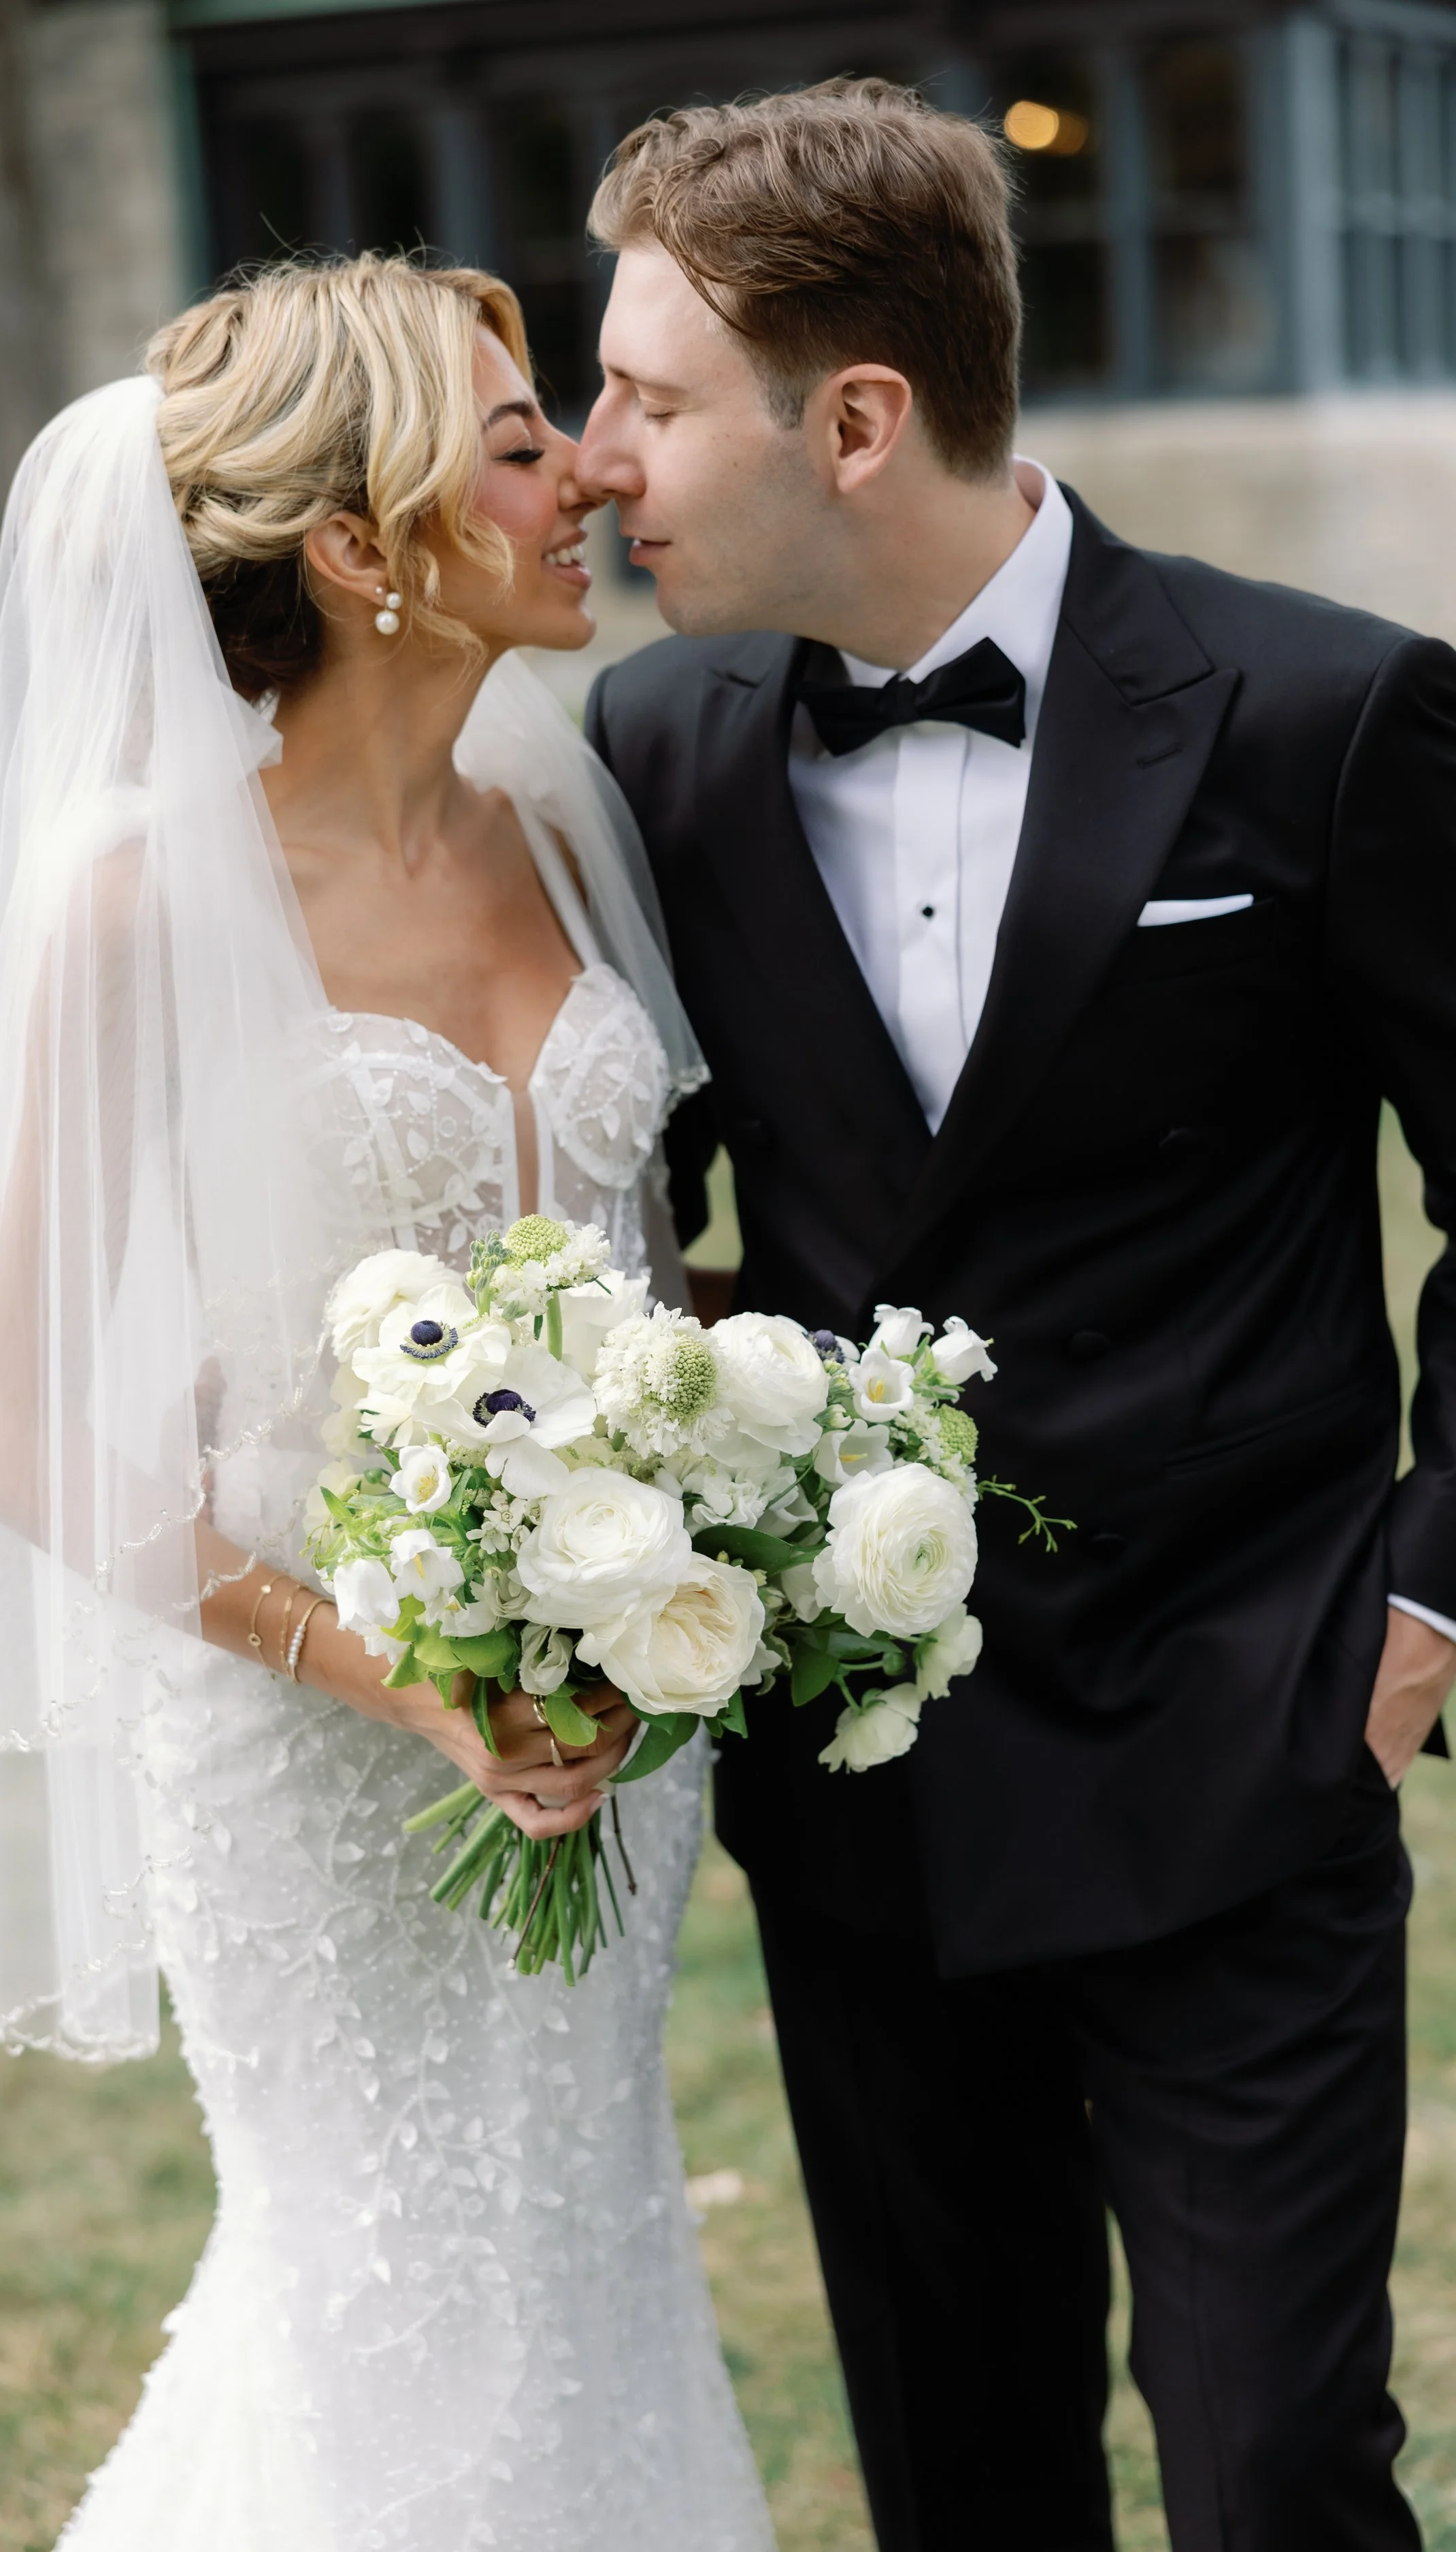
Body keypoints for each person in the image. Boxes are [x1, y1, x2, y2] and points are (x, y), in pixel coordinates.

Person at [579, 78, 1456, 2552]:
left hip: (1242, 1740)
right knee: (963, 2480)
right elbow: (630, 1217)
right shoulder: (653, 744)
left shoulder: (1325, 714)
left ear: (852, 418)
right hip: (863, 1800)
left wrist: (1416, 1599)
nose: (594, 450)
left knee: (1282, 2474)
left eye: (645, 395)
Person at [0, 255, 772, 2552]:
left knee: (584, 2255)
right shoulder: (136, 899)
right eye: (519, 447)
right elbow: (23, 1420)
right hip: (310, 1735)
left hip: (607, 1722)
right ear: (353, 542)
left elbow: (628, 1284)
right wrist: (397, 1678)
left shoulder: (565, 829)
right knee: (371, 2296)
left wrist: (758, 1458)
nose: (583, 478)